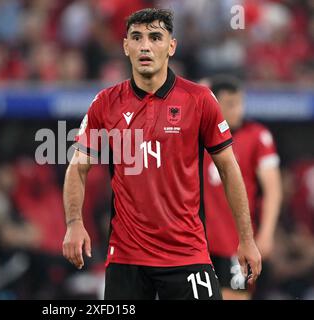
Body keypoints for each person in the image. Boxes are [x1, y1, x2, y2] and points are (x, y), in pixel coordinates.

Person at [62, 8, 261, 300]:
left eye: (155, 37)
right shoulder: (105, 103)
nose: (145, 46)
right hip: (126, 258)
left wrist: (246, 239)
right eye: (137, 37)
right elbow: (78, 167)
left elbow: (229, 169)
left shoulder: (200, 99)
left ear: (171, 46)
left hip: (187, 254)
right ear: (125, 46)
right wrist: (74, 223)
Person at [202, 75, 282, 300]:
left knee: (234, 297)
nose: (238, 110)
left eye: (240, 103)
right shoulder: (197, 135)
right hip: (198, 241)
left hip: (234, 241)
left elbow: (273, 189)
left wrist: (266, 233)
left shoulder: (257, 136)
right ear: (215, 105)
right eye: (231, 104)